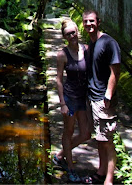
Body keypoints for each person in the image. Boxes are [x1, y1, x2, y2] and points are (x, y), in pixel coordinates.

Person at [83, 9, 121, 185]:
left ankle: (109, 180)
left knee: (107, 141)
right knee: (100, 138)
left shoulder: (108, 42)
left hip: (103, 100)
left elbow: (115, 70)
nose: (89, 24)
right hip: (92, 98)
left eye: (92, 21)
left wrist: (108, 94)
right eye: (86, 22)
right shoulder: (91, 45)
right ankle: (100, 172)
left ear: (98, 22)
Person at [53, 19, 91, 183]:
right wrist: (62, 103)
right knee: (68, 132)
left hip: (83, 98)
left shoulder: (87, 50)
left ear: (78, 31)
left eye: (73, 32)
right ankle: (71, 168)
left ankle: (60, 155)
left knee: (85, 133)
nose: (72, 36)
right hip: (70, 98)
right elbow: (59, 79)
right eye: (68, 34)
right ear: (64, 36)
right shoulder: (62, 55)